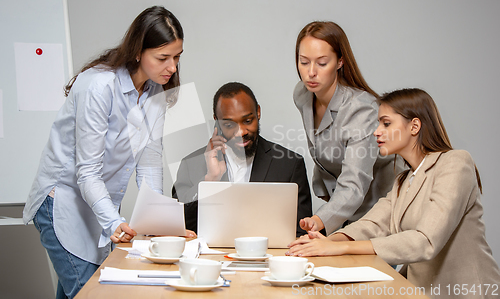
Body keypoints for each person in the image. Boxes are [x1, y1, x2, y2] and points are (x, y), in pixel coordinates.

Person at [23, 6, 192, 299]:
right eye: (163, 58)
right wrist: (113, 221)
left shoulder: (154, 92)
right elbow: (86, 172)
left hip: (96, 207)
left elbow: (149, 162)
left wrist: (160, 221)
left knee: (84, 292)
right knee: (94, 294)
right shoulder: (99, 85)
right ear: (139, 51)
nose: (172, 67)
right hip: (62, 203)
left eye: (177, 57)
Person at [287, 88, 500, 298]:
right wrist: (325, 242)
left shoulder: (455, 163)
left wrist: (340, 248)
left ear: (414, 126)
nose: (376, 131)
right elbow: (373, 224)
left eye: (386, 123)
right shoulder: (403, 180)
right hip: (420, 291)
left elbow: (425, 241)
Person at [293, 21, 399, 235]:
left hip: (381, 204)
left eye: (322, 63)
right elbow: (322, 141)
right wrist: (323, 188)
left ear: (340, 62)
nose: (310, 72)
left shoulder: (362, 109)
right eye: (304, 62)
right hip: (344, 204)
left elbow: (355, 181)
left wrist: (320, 218)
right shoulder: (302, 95)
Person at [172, 82, 313, 236]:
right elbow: (178, 227)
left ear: (258, 112)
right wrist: (210, 180)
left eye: (247, 121)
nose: (240, 132)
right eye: (229, 124)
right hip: (210, 258)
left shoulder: (290, 164)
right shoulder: (190, 164)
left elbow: (302, 233)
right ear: (217, 120)